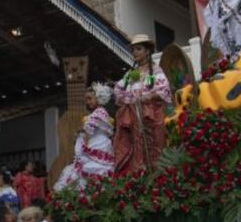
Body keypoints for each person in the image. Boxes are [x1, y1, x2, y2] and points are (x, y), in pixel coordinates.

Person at [114, 34, 171, 175]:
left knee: (156, 144)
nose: (135, 52)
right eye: (133, 50)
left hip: (153, 116)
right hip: (135, 116)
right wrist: (128, 100)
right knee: (138, 147)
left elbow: (164, 90)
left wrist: (147, 97)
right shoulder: (130, 74)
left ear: (147, 51)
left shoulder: (156, 70)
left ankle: (159, 177)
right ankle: (141, 178)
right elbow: (118, 91)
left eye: (138, 49)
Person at [56, 83, 115, 191]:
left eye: (90, 98)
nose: (88, 102)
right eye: (86, 99)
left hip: (95, 144)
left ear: (98, 98)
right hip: (102, 144)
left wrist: (84, 148)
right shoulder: (102, 112)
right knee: (99, 172)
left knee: (86, 171)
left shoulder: (97, 113)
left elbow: (88, 132)